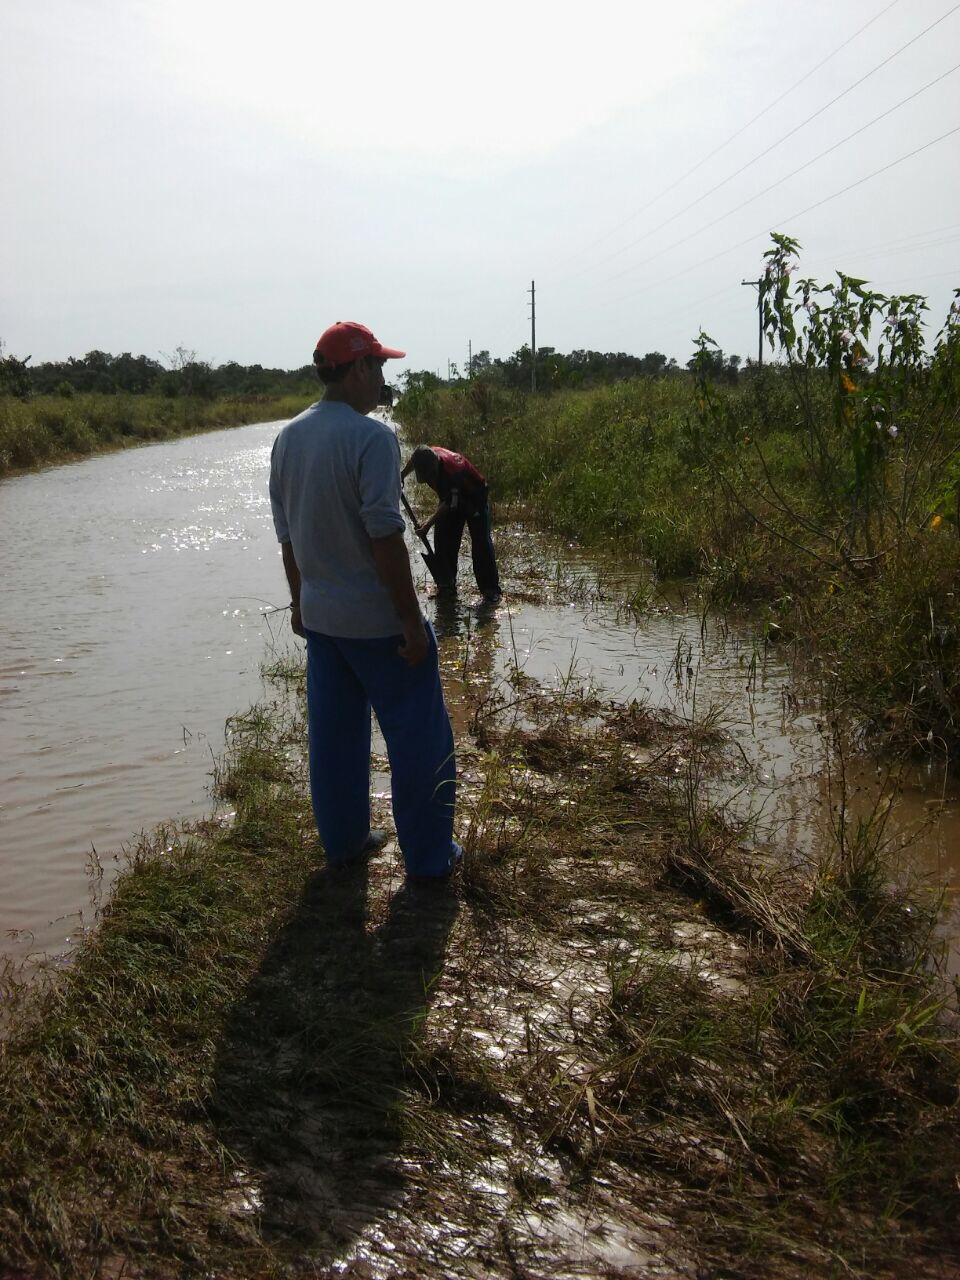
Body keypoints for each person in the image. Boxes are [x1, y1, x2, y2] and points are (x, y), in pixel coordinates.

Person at [269, 321, 461, 880]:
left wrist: (300, 604)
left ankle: (347, 844)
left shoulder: (288, 438)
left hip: (324, 623)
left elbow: (288, 536)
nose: (382, 379)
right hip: (377, 625)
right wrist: (408, 620)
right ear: (354, 370)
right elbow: (384, 535)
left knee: (335, 741)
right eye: (377, 366)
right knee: (420, 739)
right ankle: (429, 859)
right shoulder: (371, 438)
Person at [400, 445, 501, 603]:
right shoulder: (424, 454)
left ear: (435, 467)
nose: (430, 480)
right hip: (451, 498)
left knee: (481, 544)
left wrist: (427, 525)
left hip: (475, 499)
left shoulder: (453, 473)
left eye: (430, 476)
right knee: (444, 541)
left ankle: (490, 591)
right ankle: (447, 585)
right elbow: (414, 460)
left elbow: (448, 504)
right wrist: (401, 476)